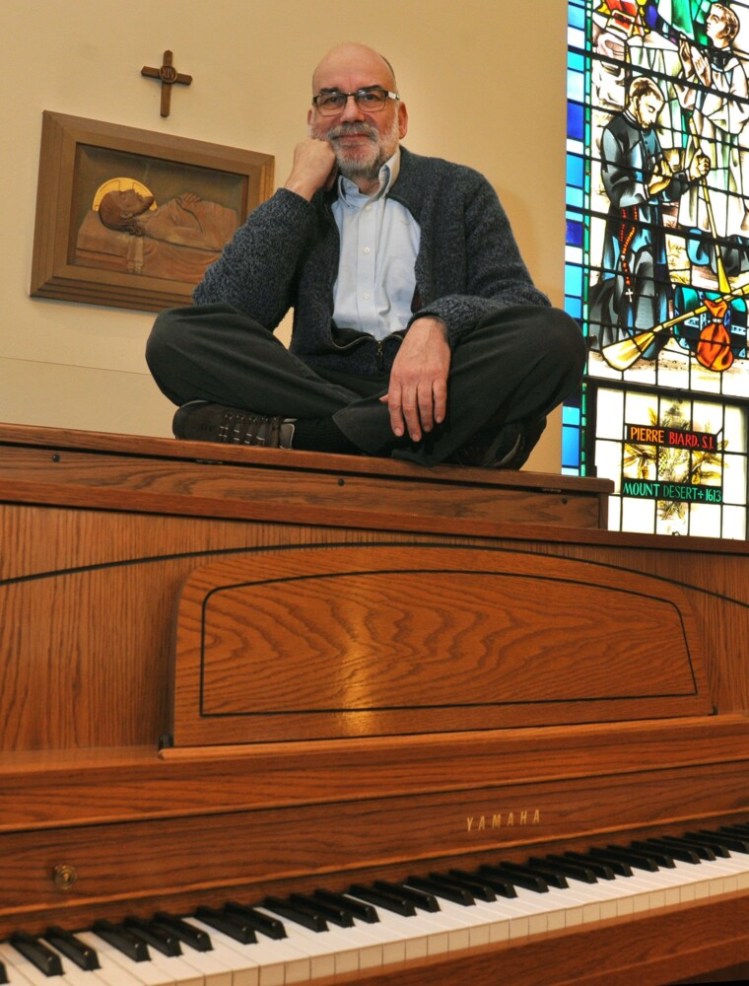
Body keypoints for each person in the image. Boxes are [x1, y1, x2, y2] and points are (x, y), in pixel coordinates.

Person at [146, 42, 586, 469]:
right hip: (315, 385)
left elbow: (519, 300)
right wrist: (297, 189)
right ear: (313, 120)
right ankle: (432, 439)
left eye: (370, 96)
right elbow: (223, 313)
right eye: (332, 99)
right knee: (172, 338)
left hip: (438, 383)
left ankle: (315, 438)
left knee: (556, 338)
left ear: (401, 116)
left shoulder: (459, 191)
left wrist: (438, 323)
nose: (351, 113)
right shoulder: (301, 206)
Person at [590, 76, 710, 355]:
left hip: (651, 225)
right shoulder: (614, 132)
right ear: (634, 101)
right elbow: (616, 191)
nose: (653, 116)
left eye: (657, 110)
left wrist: (688, 175)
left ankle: (648, 343)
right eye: (650, 108)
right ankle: (623, 340)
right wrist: (648, 187)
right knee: (628, 282)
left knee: (654, 280)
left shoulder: (651, 135)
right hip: (627, 225)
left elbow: (665, 186)